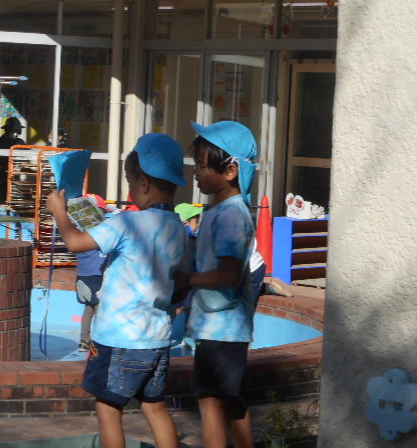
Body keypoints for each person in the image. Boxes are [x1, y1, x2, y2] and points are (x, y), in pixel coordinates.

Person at [46, 133, 188, 448]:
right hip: (157, 339)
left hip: (119, 339)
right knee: (155, 406)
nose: (129, 189)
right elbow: (181, 279)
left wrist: (59, 212)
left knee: (108, 409)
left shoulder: (127, 223)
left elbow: (75, 243)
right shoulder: (177, 227)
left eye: (129, 181)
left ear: (144, 184)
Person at [174, 120, 259, 448]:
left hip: (221, 329)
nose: (196, 173)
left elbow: (229, 275)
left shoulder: (230, 215)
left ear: (231, 171)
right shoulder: (221, 210)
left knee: (210, 403)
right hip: (223, 328)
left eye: (202, 166)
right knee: (230, 400)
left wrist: (188, 279)